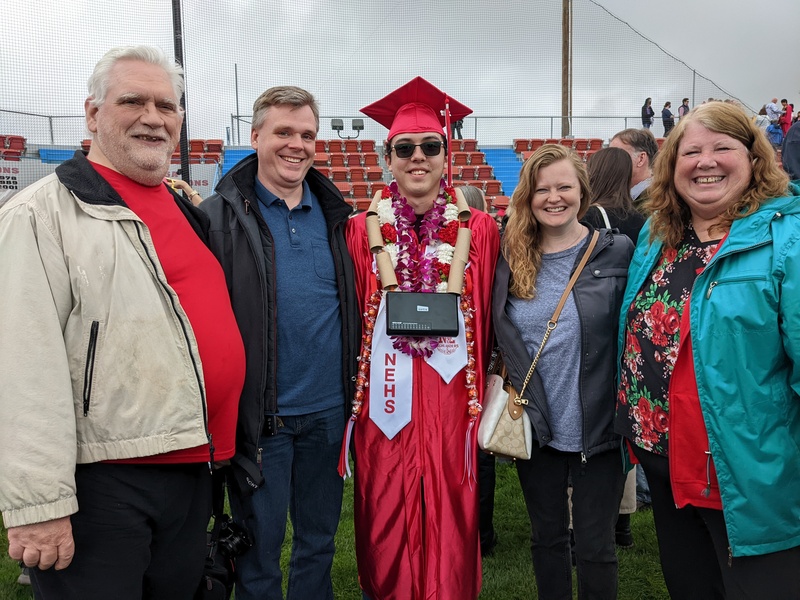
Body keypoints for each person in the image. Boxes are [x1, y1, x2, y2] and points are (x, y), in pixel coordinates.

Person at [0, 45, 245, 599]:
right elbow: (21, 369)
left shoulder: (183, 209)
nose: (153, 117)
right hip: (104, 486)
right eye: (132, 100)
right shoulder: (38, 215)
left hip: (193, 473)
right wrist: (40, 505)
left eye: (167, 105)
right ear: (92, 114)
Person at [615, 101, 800, 598]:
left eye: (722, 147)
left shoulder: (787, 240)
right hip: (665, 462)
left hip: (746, 476)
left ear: (755, 158)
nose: (706, 161)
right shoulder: (659, 235)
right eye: (690, 152)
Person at [199, 85, 359, 600]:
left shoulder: (343, 220)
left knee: (318, 543)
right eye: (284, 132)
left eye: (307, 134)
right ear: (255, 136)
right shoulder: (216, 217)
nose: (297, 145)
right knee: (259, 552)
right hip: (259, 419)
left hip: (329, 415)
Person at [343, 76, 500, 600]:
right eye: (404, 148)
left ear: (445, 154)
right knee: (385, 509)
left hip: (453, 398)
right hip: (385, 404)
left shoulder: (478, 230)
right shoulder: (359, 230)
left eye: (430, 146)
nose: (417, 157)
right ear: (387, 157)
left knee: (453, 512)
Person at [493, 144, 633, 599]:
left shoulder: (617, 252)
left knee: (596, 547)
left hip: (600, 426)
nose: (554, 197)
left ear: (582, 191)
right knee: (548, 540)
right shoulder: (509, 256)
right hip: (537, 425)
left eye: (564, 187)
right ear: (528, 196)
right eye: (542, 189)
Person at [609, 128, 658, 207]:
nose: (609, 162)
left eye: (616, 155)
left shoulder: (656, 202)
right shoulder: (626, 198)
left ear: (641, 159)